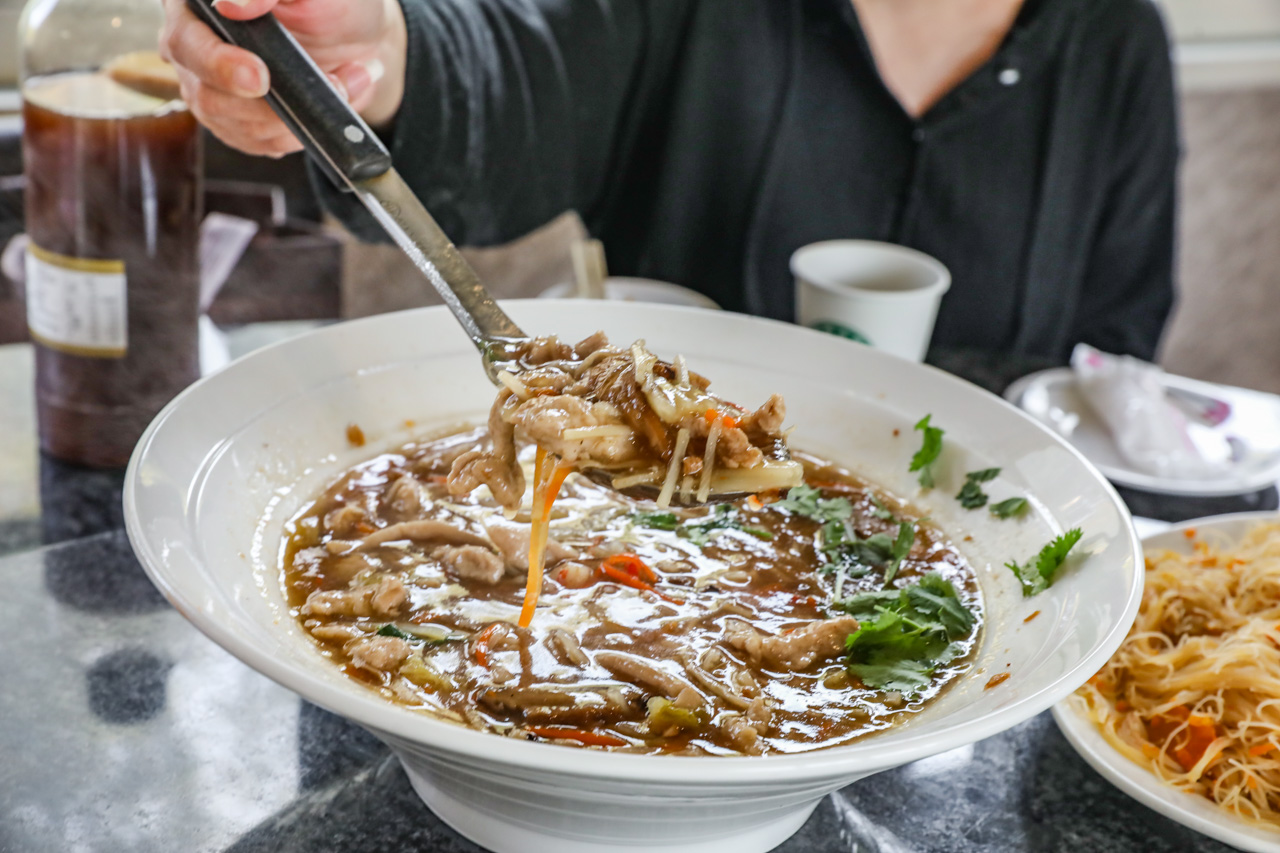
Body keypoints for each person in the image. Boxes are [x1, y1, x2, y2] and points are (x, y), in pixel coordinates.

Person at [161, 0, 1178, 372]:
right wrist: (374, 51)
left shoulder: (1114, 38)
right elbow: (500, 75)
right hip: (644, 574)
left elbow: (1114, 348)